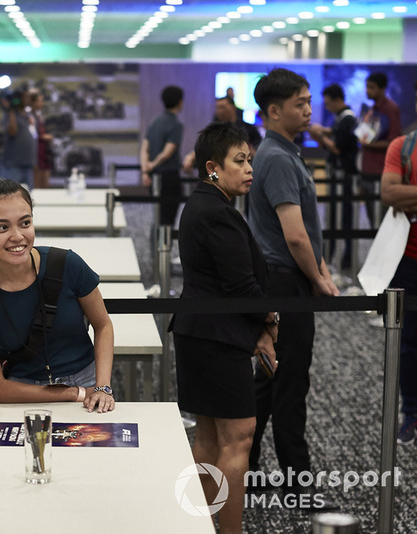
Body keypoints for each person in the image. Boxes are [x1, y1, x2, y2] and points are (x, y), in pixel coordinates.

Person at [173, 121, 277, 534]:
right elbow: (242, 288)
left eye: (250, 160)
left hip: (201, 333)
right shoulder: (217, 213)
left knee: (211, 438)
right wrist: (270, 322)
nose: (249, 168)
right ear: (213, 167)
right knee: (238, 438)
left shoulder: (204, 204)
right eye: (240, 161)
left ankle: (202, 526)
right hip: (217, 336)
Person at [247, 69, 339, 509]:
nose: (308, 110)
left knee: (270, 379)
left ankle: (245, 469)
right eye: (300, 103)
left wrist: (320, 268)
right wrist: (318, 279)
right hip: (285, 282)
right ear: (273, 111)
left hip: (282, 280)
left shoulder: (282, 152)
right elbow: (295, 235)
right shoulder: (279, 157)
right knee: (289, 385)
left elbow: (308, 234)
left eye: (308, 101)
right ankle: (298, 487)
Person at [0, 178, 115, 413]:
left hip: (89, 386)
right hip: (22, 396)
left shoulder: (67, 264)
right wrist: (74, 393)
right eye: (2, 227)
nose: (18, 236)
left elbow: (103, 325)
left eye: (25, 223)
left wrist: (102, 387)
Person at [380, 124, 417, 446]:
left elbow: (400, 194)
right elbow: (390, 193)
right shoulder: (403, 147)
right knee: (407, 344)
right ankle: (412, 412)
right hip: (407, 259)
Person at [308, 83, 358, 270]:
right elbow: (336, 135)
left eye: (328, 103)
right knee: (336, 218)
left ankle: (345, 260)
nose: (327, 107)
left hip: (344, 174)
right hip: (339, 174)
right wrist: (323, 131)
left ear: (338, 100)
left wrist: (320, 137)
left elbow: (337, 147)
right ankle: (336, 258)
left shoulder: (347, 119)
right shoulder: (342, 118)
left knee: (344, 219)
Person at [359, 72, 401, 229]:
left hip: (381, 172)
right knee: (372, 219)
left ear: (382, 89)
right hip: (368, 171)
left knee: (382, 222)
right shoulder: (371, 109)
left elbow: (394, 142)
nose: (367, 91)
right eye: (367, 87)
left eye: (372, 87)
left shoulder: (391, 109)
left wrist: (368, 144)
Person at [140, 85, 184, 226]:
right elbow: (167, 152)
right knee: (167, 219)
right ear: (179, 102)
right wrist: (152, 165)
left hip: (154, 176)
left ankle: (155, 247)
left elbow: (144, 148)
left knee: (157, 215)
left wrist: (146, 170)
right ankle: (163, 247)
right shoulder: (176, 124)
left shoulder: (154, 122)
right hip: (169, 175)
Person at [0, 89, 37, 189]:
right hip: (13, 165)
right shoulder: (10, 114)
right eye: (26, 97)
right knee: (10, 196)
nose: (28, 99)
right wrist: (11, 109)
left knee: (28, 199)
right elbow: (12, 131)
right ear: (19, 99)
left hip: (27, 164)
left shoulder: (27, 115)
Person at [30, 91, 53, 189]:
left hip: (44, 151)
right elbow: (31, 134)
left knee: (45, 182)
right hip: (36, 152)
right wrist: (43, 137)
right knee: (37, 181)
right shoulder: (29, 116)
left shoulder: (39, 115)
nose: (42, 104)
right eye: (40, 101)